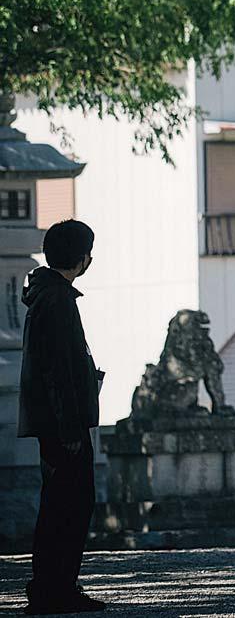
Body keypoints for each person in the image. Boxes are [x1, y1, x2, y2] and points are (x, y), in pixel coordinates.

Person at [18, 220, 106, 615]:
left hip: (56, 420)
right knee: (70, 504)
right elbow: (58, 369)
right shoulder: (57, 300)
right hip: (62, 423)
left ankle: (52, 586)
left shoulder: (48, 296)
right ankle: (56, 588)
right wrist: (71, 424)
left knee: (61, 503)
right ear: (82, 257)